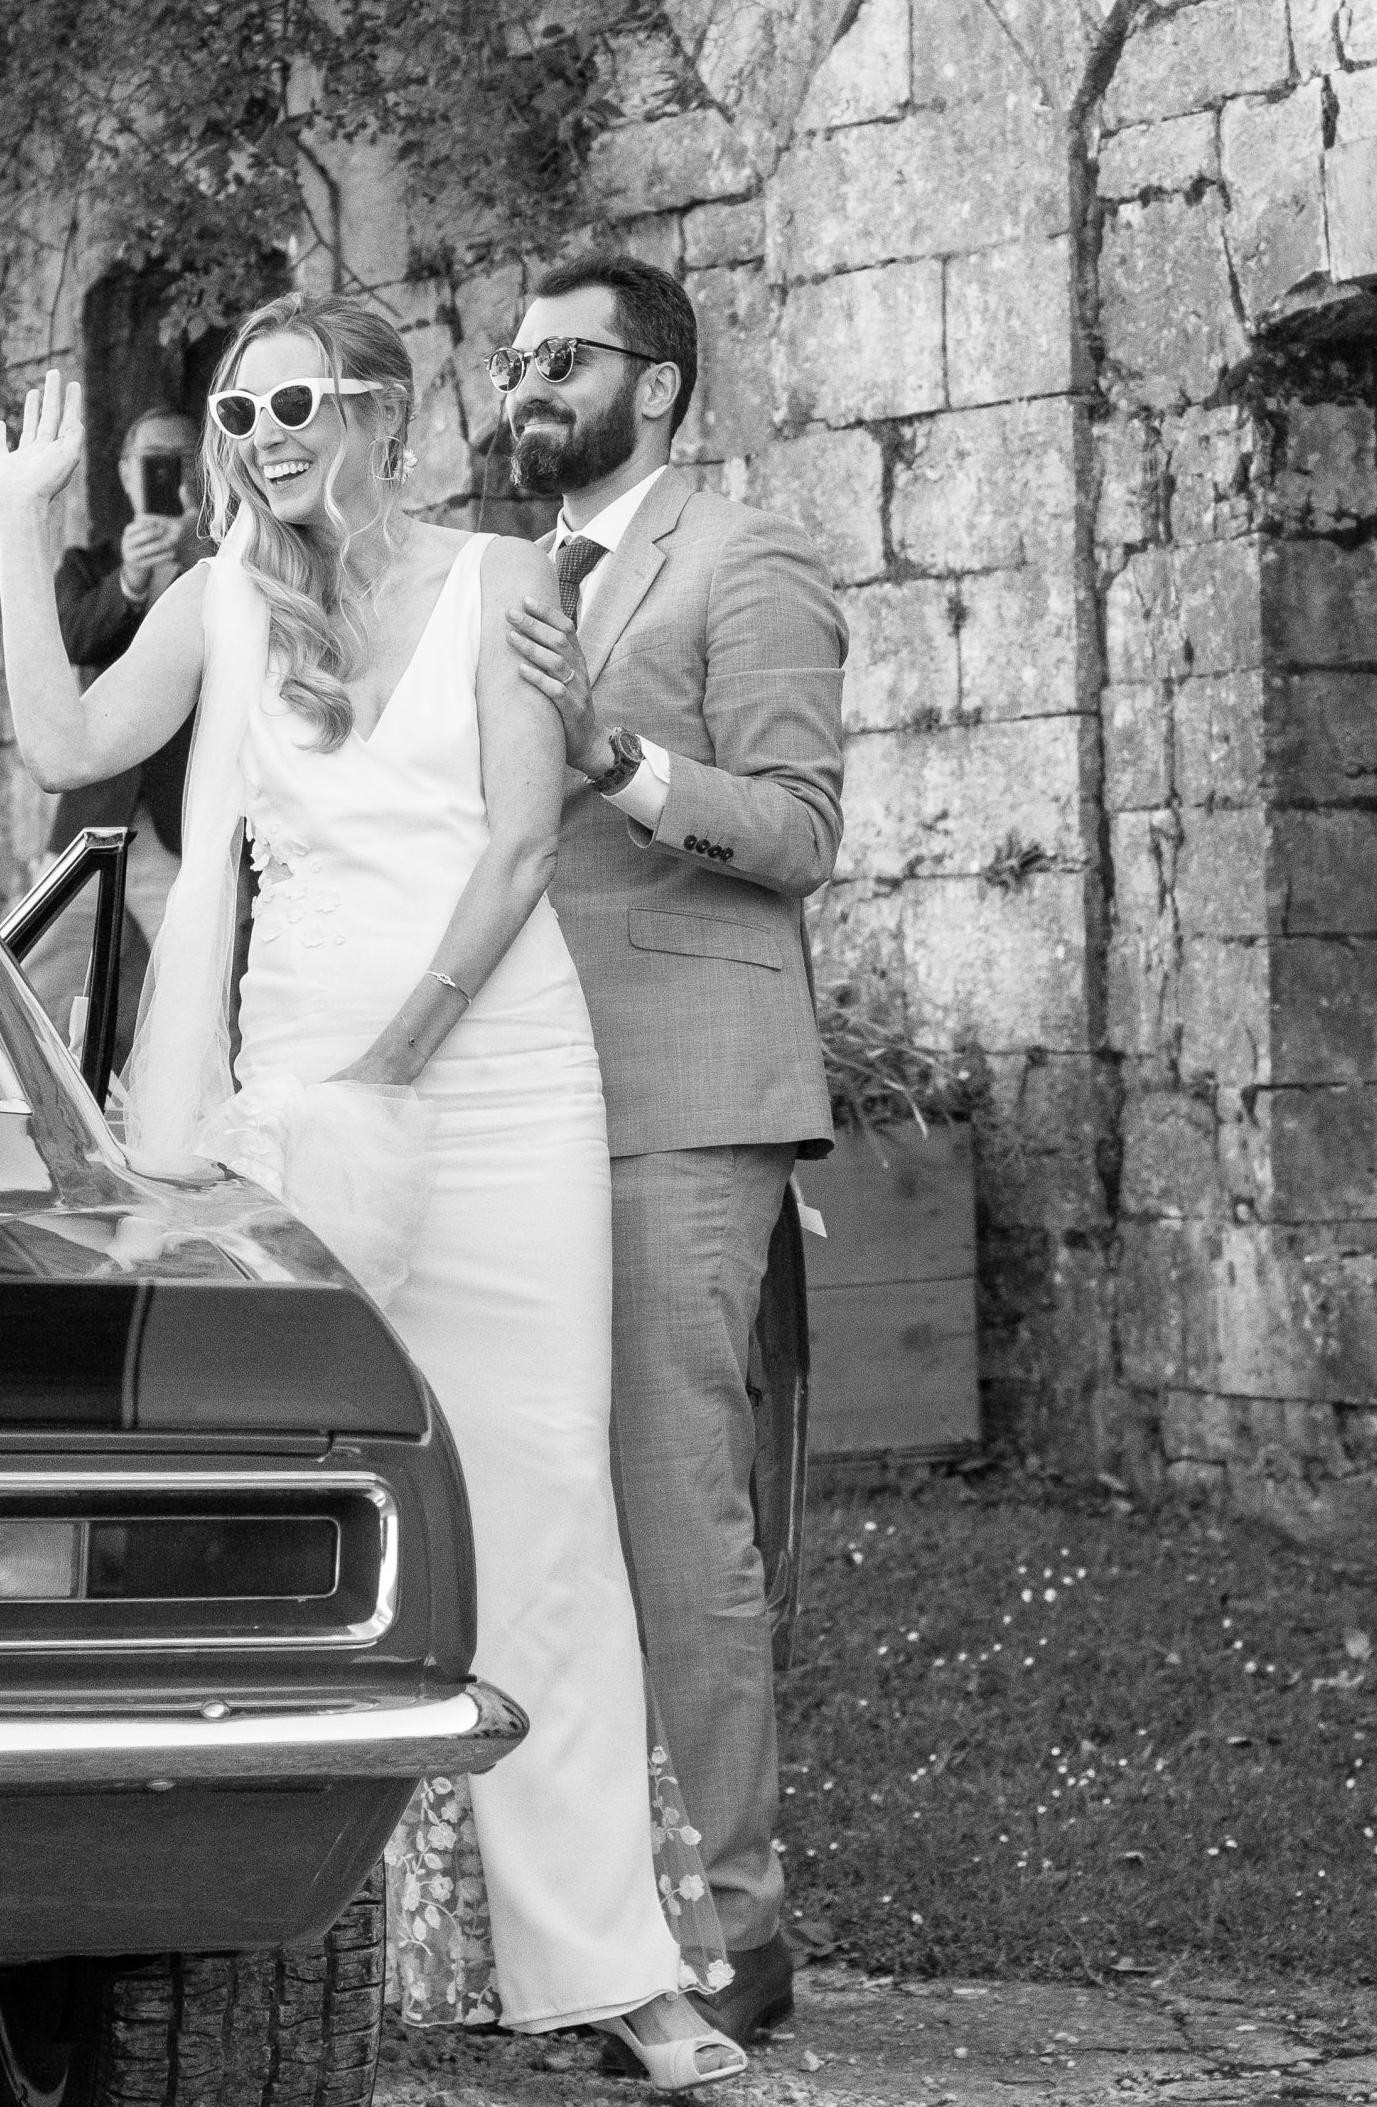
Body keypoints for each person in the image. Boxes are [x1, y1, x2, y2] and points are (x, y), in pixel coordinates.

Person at [0, 291, 745, 2091]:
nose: (260, 439)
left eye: (294, 403)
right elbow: (67, 749)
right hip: (298, 1099)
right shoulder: (220, 603)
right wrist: (22, 524)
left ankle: (607, 1966)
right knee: (283, 1497)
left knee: (542, 1503)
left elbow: (516, 847)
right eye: (235, 414)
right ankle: (267, 1939)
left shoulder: (501, 580)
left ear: (383, 413)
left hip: (496, 1082)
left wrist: (401, 1062)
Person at [501, 254, 849, 2049]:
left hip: (678, 1095)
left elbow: (796, 828)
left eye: (562, 358)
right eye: (514, 360)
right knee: (541, 1515)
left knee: (671, 1503)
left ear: (656, 384)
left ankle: (732, 1924)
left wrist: (614, 754)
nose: (526, 384)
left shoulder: (744, 555)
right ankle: (567, 1912)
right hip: (507, 1097)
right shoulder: (497, 574)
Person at [20, 407, 206, 1048]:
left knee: (198, 990)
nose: (167, 472)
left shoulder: (224, 562)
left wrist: (197, 551)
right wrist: (127, 582)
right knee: (40, 983)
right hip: (94, 811)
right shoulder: (88, 564)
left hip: (184, 818)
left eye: (182, 458)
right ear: (126, 472)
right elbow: (71, 640)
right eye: (151, 460)